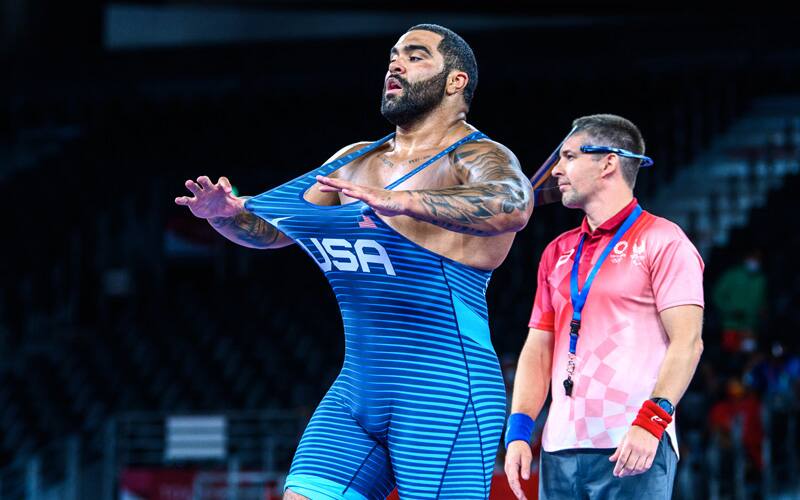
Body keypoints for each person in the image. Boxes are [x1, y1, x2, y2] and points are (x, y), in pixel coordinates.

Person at [176, 24, 534, 500]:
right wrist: (222, 216)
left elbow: (514, 204)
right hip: (357, 393)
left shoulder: (476, 156)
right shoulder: (353, 161)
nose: (395, 64)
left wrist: (407, 202)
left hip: (445, 396)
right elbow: (268, 228)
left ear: (456, 81)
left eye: (416, 55)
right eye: (393, 55)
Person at [504, 114, 705, 499]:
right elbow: (538, 347)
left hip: (632, 441)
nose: (555, 171)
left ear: (608, 162)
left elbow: (688, 342)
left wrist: (652, 422)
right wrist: (518, 431)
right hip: (559, 447)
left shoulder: (664, 240)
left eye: (568, 157)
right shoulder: (557, 252)